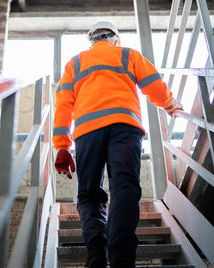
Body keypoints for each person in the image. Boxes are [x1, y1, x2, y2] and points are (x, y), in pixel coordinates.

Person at [53, 21, 182, 268]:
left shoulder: (75, 63)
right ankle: (122, 258)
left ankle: (96, 254)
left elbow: (63, 104)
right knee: (124, 188)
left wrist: (61, 145)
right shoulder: (128, 55)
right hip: (125, 128)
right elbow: (154, 87)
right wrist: (171, 105)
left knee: (89, 195)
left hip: (87, 133)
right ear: (116, 39)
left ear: (91, 41)